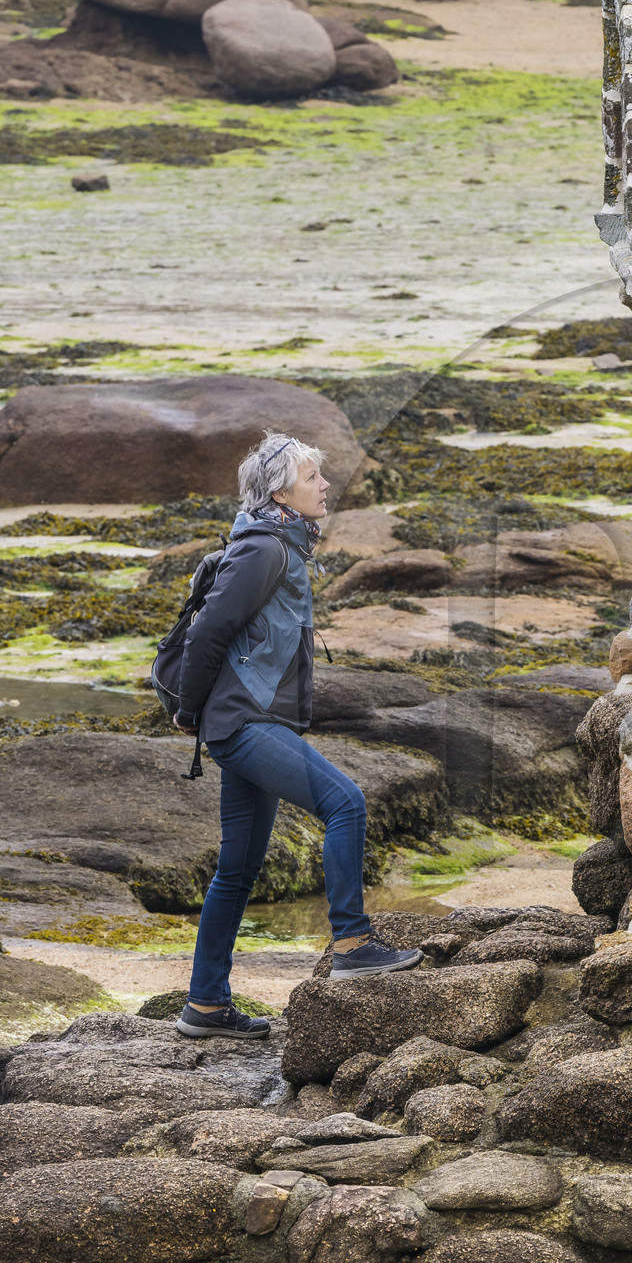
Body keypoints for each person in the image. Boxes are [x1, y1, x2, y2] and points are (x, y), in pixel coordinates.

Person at [172, 431, 421, 1038]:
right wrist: (191, 711)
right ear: (281, 491)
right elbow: (208, 634)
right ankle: (353, 942)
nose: (326, 486)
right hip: (243, 723)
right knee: (346, 804)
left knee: (237, 870)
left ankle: (205, 1005)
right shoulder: (264, 552)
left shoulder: (280, 545)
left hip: (249, 721)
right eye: (313, 478)